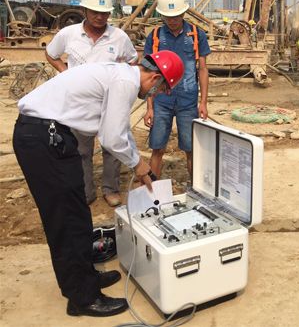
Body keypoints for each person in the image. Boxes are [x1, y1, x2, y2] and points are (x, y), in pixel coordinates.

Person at [12, 51, 185, 317]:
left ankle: (86, 278)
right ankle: (82, 299)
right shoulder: (125, 82)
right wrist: (138, 165)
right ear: (154, 78)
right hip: (43, 138)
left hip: (52, 136)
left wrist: (141, 168)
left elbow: (121, 129)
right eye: (161, 89)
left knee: (78, 213)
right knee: (66, 220)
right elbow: (112, 138)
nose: (157, 94)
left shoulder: (120, 75)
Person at [45, 0, 138, 207]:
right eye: (95, 12)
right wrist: (65, 71)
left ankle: (111, 189)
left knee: (113, 147)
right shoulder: (69, 34)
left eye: (104, 13)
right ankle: (86, 191)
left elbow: (133, 60)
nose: (100, 17)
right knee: (81, 150)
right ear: (85, 10)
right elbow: (51, 54)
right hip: (79, 103)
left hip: (110, 102)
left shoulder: (119, 37)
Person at [143, 0, 211, 179]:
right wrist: (150, 107)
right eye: (168, 17)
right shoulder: (155, 37)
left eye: (176, 16)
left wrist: (203, 103)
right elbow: (149, 74)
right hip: (161, 102)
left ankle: (196, 188)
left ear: (183, 13)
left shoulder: (196, 35)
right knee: (157, 148)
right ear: (162, 15)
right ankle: (152, 191)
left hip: (188, 102)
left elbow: (202, 69)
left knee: (191, 149)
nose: (172, 21)